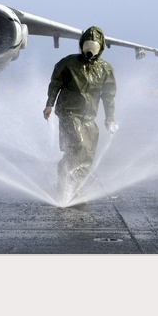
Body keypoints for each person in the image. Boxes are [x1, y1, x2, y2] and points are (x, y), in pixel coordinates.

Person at [43, 25, 118, 203]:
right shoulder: (68, 64)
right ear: (82, 45)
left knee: (87, 154)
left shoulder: (105, 69)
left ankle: (72, 186)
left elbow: (109, 96)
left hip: (88, 116)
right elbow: (55, 83)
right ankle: (67, 187)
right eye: (87, 47)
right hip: (69, 112)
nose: (89, 52)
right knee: (79, 146)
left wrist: (110, 118)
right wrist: (49, 104)